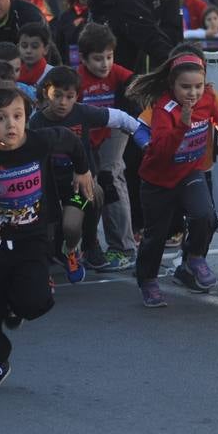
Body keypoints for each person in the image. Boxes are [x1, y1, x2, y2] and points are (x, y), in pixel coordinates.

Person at [0, 80, 93, 393]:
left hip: (32, 238)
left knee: (34, 303)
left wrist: (82, 170)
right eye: (1, 118)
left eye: (17, 116)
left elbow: (73, 144)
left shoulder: (40, 141)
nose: (11, 125)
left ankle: (15, 307)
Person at [126, 47, 218, 308]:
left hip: (190, 171)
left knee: (205, 216)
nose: (193, 93)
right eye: (186, 87)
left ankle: (195, 258)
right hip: (158, 180)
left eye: (197, 86)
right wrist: (182, 126)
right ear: (172, 85)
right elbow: (163, 149)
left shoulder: (209, 97)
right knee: (157, 235)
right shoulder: (163, 109)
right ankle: (148, 280)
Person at [29, 67, 140, 276]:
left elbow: (117, 117)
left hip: (77, 185)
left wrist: (144, 135)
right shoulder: (37, 122)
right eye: (57, 95)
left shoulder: (82, 112)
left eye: (69, 97)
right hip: (50, 186)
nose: (63, 102)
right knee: (46, 234)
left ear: (77, 96)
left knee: (77, 218)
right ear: (46, 93)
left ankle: (82, 246)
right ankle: (54, 248)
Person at [75, 23, 137, 270]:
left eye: (109, 57)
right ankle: (87, 243)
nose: (105, 64)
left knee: (112, 178)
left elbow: (136, 82)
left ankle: (123, 246)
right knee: (89, 186)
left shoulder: (117, 73)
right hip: (87, 135)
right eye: (98, 59)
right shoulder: (77, 78)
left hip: (114, 130)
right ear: (83, 58)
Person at [16, 22, 55, 88]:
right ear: (18, 47)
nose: (28, 51)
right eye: (24, 46)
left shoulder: (53, 74)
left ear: (46, 49)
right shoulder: (13, 74)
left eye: (34, 46)